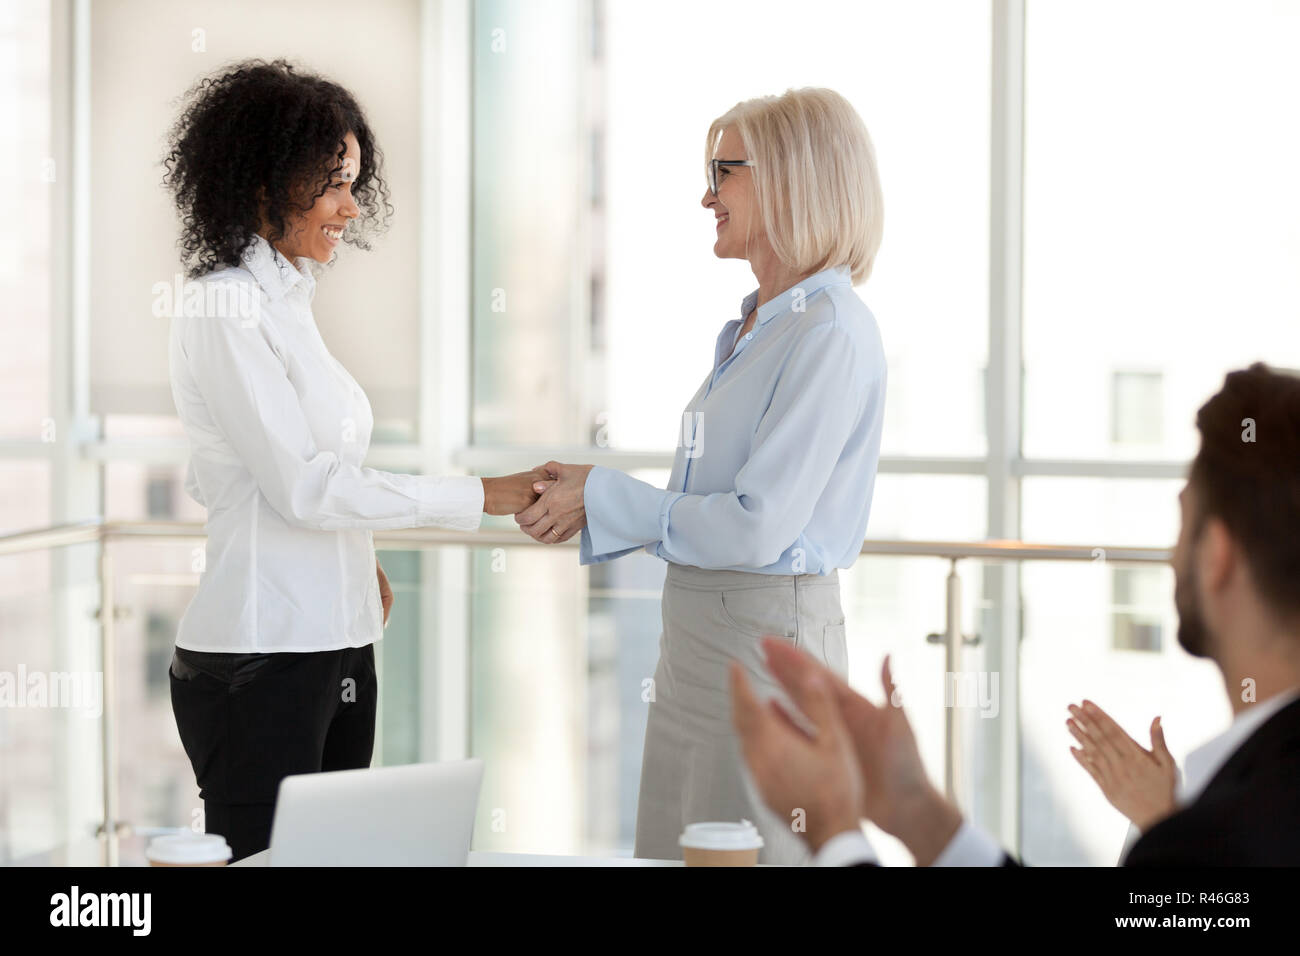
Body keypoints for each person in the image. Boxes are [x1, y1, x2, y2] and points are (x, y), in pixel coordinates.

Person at [161, 59, 546, 861]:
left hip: (337, 642)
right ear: (267, 182)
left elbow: (269, 474)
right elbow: (303, 486)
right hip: (257, 660)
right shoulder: (225, 305)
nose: (351, 206)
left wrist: (350, 562)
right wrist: (482, 494)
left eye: (354, 181)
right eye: (334, 182)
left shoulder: (292, 302)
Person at [513, 88, 887, 864]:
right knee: (680, 846)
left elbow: (757, 523)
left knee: (749, 849)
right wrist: (596, 493)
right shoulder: (757, 326)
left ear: (791, 178)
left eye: (725, 170)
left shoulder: (831, 334)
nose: (706, 194)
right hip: (697, 644)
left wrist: (607, 495)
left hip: (763, 647)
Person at [733, 363, 1300, 866]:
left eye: (1183, 525)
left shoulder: (1218, 840)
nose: (1172, 557)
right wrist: (917, 812)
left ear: (1219, 556)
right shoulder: (1233, 814)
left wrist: (835, 831)